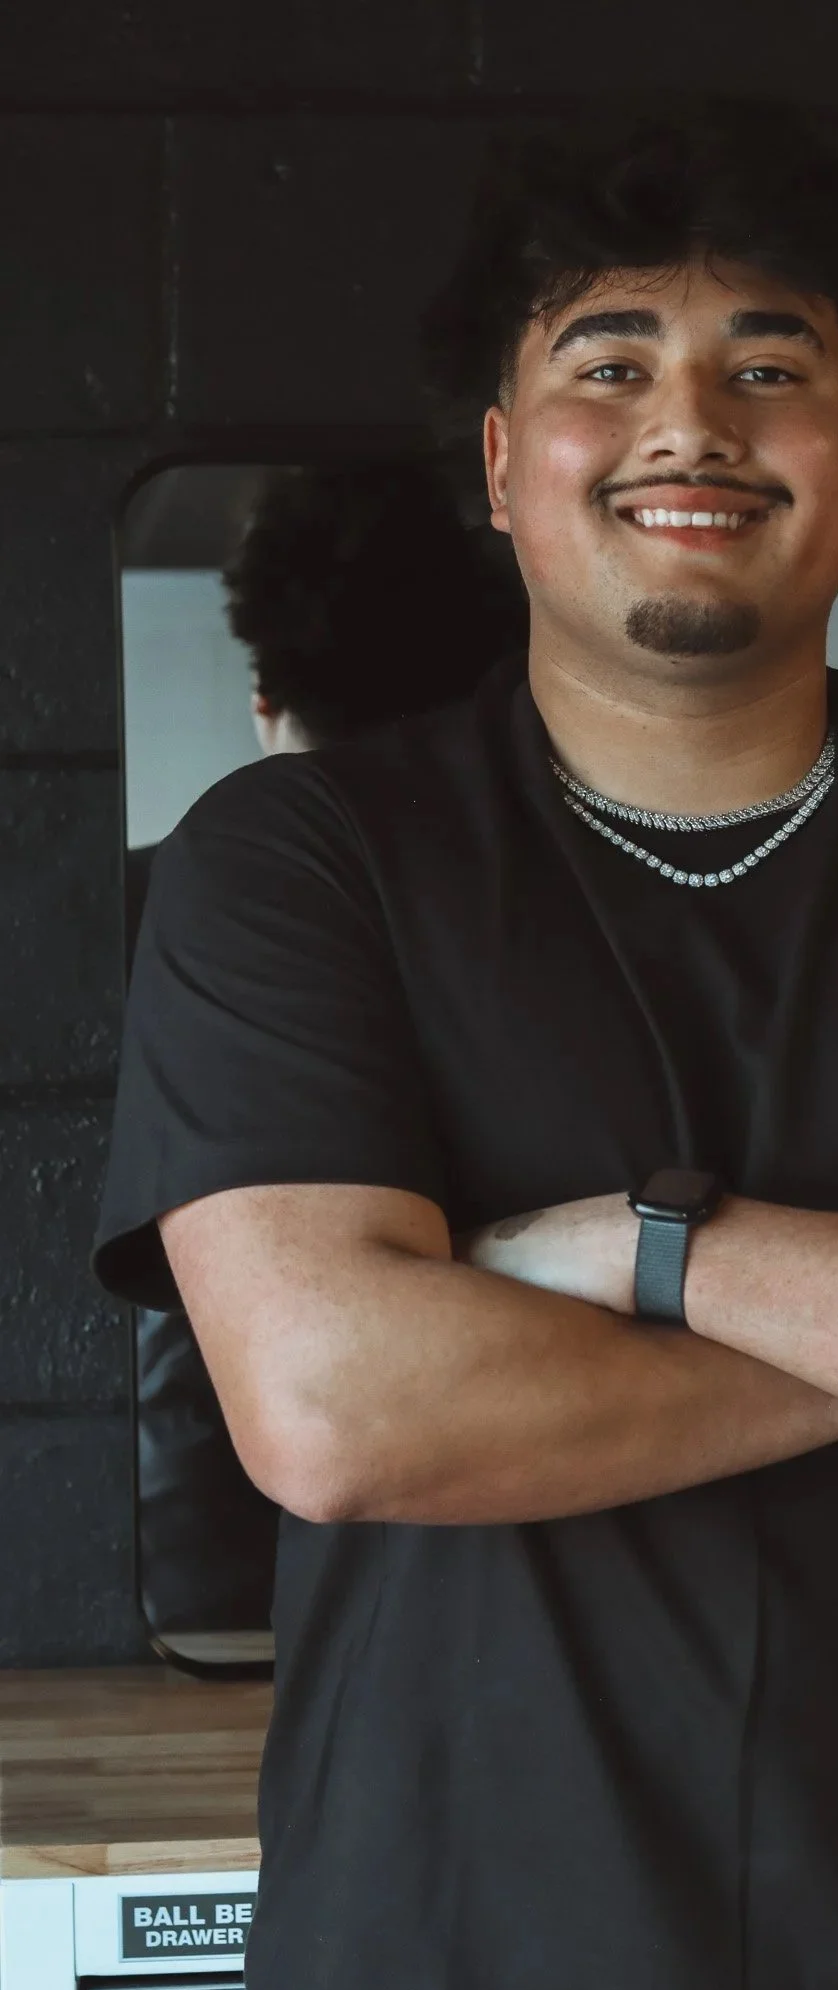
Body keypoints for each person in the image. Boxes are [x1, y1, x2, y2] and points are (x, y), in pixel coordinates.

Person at [95, 100, 838, 1990]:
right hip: (449, 1963)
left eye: (769, 366)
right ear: (502, 463)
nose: (692, 426)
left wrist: (639, 1253)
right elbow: (337, 1408)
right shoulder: (299, 864)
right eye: (611, 362)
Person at [128, 460, 523, 1642]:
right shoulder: (546, 927)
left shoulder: (125, 903)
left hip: (177, 1570)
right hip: (496, 1577)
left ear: (264, 692)